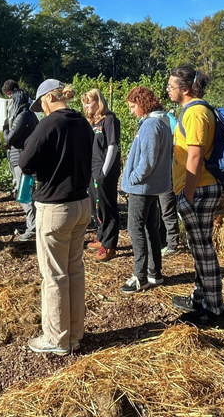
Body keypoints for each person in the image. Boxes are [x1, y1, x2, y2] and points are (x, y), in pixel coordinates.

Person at [19, 79, 93, 355]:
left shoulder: (49, 124)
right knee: (74, 269)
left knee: (54, 275)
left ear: (49, 98)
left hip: (56, 207)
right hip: (81, 202)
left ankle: (56, 338)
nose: (42, 109)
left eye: (42, 104)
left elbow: (25, 162)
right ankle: (74, 333)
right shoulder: (82, 122)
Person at [168, 66, 224, 328]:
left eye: (171, 85)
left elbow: (195, 155)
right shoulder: (194, 111)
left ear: (185, 88)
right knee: (198, 246)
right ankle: (200, 298)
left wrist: (188, 194)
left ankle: (214, 308)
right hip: (199, 187)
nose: (168, 89)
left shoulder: (195, 113)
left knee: (203, 249)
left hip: (199, 188)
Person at [119, 86, 173, 293]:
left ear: (142, 104)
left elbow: (147, 161)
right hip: (154, 186)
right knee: (151, 228)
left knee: (135, 229)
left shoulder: (151, 125)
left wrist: (132, 179)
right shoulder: (163, 122)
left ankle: (139, 276)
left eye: (133, 106)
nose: (132, 111)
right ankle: (154, 273)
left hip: (142, 187)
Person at [81, 88, 121, 262]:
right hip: (92, 168)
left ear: (99, 102)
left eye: (90, 101)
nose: (86, 105)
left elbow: (113, 146)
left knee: (107, 206)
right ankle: (101, 235)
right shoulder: (92, 122)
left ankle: (110, 245)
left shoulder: (109, 119)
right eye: (85, 102)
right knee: (96, 205)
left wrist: (104, 172)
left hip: (105, 170)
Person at [2, 80, 39, 242]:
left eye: (11, 99)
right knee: (26, 193)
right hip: (27, 157)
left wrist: (4, 126)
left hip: (22, 159)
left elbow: (10, 138)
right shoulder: (31, 114)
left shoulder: (22, 116)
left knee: (25, 194)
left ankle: (33, 227)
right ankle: (30, 222)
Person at [159, 108, 181, 257]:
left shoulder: (168, 119)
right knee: (159, 209)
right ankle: (163, 240)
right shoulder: (163, 119)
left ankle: (172, 243)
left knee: (167, 208)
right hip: (161, 172)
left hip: (168, 171)